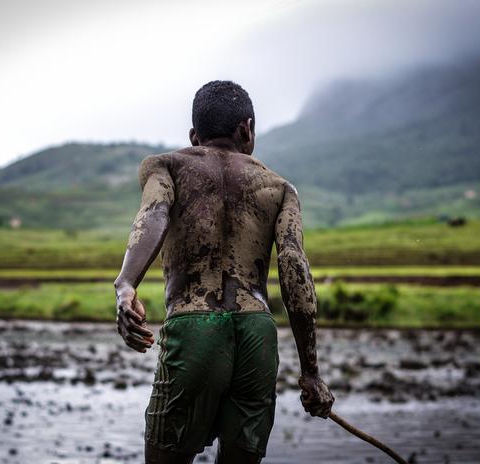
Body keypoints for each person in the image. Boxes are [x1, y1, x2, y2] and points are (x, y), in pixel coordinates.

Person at [114, 80, 334, 464]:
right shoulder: (280, 188)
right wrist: (311, 373)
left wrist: (126, 284)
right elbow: (295, 271)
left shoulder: (167, 166)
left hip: (195, 324)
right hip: (256, 333)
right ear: (247, 129)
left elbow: (153, 215)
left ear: (194, 136)